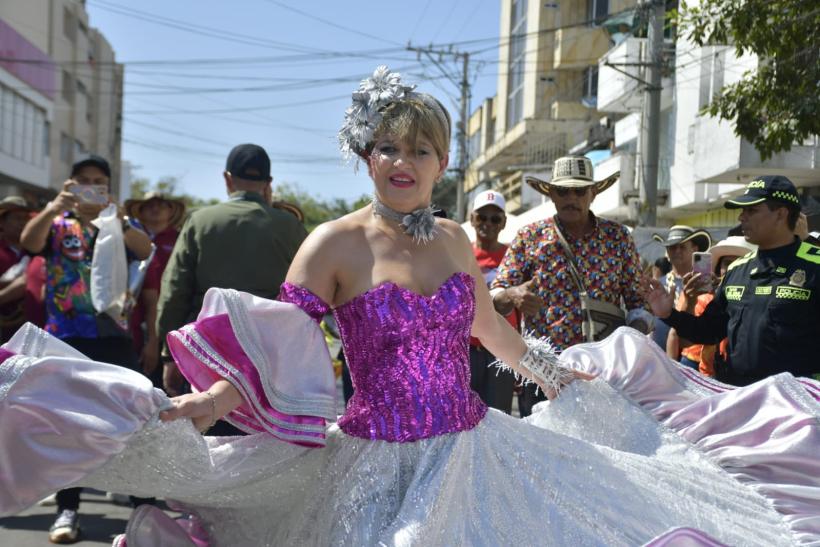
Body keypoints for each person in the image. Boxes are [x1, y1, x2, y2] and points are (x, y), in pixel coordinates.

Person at [1, 67, 818, 546]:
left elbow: (490, 331)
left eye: (421, 148)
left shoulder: (457, 239)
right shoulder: (331, 244)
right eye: (389, 144)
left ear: (441, 162)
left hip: (474, 448)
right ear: (366, 154)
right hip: (373, 463)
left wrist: (560, 377)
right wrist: (211, 401)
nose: (404, 159)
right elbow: (282, 341)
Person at [19, 154, 153, 544]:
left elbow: (145, 249)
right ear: (70, 184)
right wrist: (53, 206)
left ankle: (144, 508)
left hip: (113, 335)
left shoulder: (118, 222)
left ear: (108, 187)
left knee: (133, 420)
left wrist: (120, 218)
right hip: (65, 335)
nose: (91, 188)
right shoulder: (57, 223)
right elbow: (28, 242)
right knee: (66, 426)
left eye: (98, 182)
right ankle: (68, 509)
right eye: (83, 181)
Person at [490, 156, 650, 416]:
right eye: (563, 191)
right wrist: (513, 294)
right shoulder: (529, 236)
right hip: (543, 371)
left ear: (593, 193)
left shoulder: (618, 237)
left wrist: (627, 348)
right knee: (543, 441)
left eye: (580, 191)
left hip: (604, 373)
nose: (571, 198)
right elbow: (496, 296)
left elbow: (638, 304)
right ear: (551, 194)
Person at [157, 144, 307, 411]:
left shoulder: (200, 221)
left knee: (208, 429)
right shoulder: (290, 227)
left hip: (206, 352)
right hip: (270, 355)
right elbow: (307, 294)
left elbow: (174, 291)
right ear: (268, 183)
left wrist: (169, 354)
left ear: (227, 179)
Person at [645, 175, 820, 386]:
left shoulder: (815, 266)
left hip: (796, 399)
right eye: (742, 211)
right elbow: (708, 331)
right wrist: (669, 314)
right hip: (737, 395)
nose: (741, 217)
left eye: (751, 210)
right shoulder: (738, 269)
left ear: (781, 214)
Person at [123, 192, 186, 385]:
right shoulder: (128, 237)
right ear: (140, 211)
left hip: (173, 321)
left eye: (161, 205)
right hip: (132, 320)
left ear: (171, 211)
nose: (155, 208)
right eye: (149, 205)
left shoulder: (181, 239)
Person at [467, 190, 518, 414]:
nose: (488, 223)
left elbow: (521, 309)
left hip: (502, 351)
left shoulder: (514, 256)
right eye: (482, 217)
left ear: (504, 222)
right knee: (465, 419)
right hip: (467, 350)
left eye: (495, 218)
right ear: (472, 219)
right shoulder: (461, 254)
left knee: (500, 419)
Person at [649, 226, 711, 352]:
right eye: (672, 247)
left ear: (695, 249)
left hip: (693, 358)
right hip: (657, 356)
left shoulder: (704, 285)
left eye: (682, 246)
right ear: (667, 251)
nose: (677, 251)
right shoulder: (657, 285)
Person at [0, 196, 36, 341]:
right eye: (17, 218)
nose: (23, 223)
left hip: (33, 331)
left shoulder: (38, 251)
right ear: (2, 222)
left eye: (26, 218)